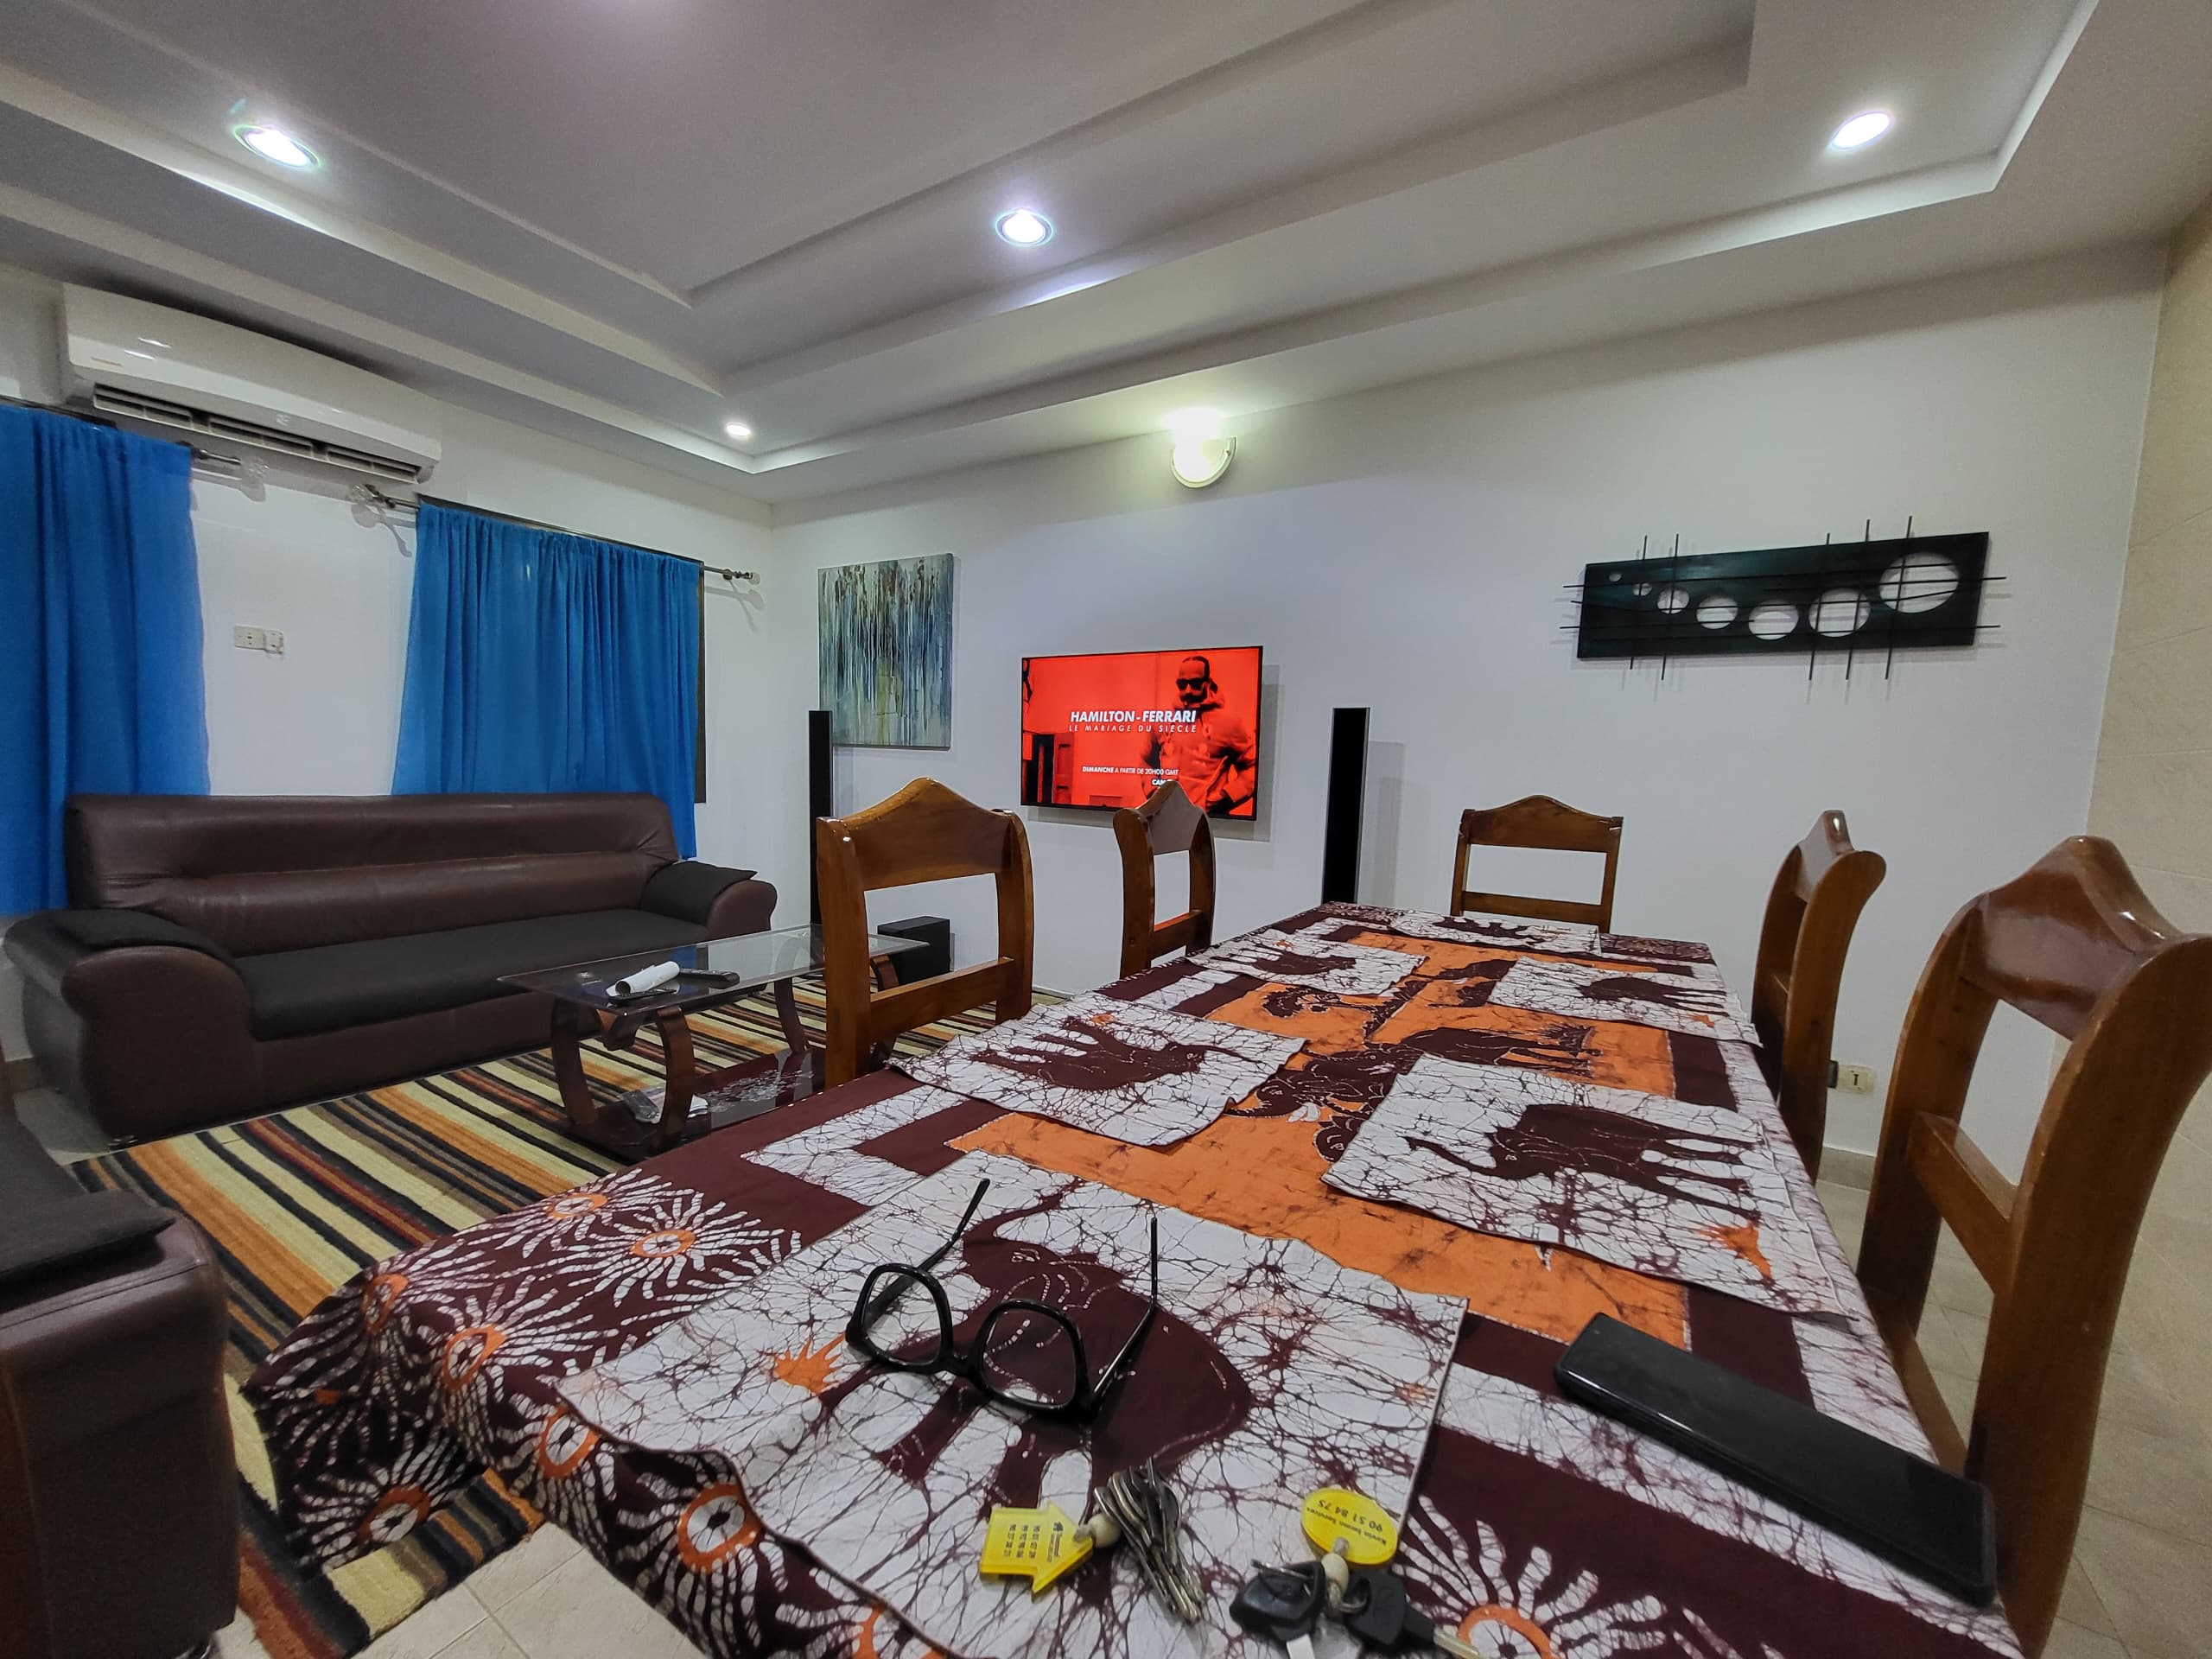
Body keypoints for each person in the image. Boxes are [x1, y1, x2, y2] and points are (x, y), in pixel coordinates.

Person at [1164, 653, 1256, 816]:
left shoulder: (1229, 724)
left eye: (1195, 684)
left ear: (1207, 683)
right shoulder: (1164, 720)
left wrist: (1226, 797)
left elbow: (1254, 768)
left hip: (1209, 822)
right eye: (1182, 684)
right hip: (1168, 817)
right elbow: (1145, 760)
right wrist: (1153, 794)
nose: (1188, 691)